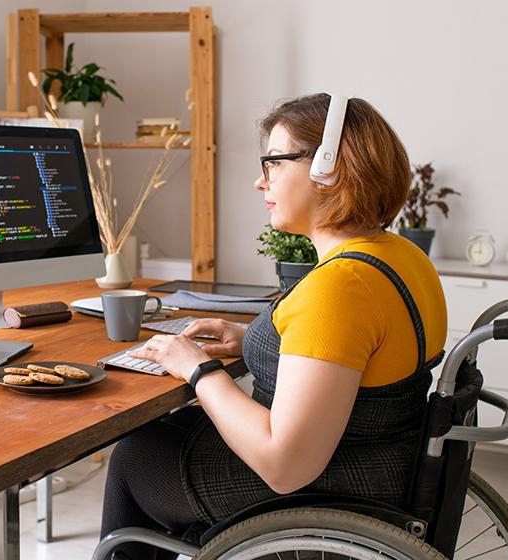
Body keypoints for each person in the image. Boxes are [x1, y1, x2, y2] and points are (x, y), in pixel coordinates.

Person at [99, 93, 447, 560]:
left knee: (136, 457)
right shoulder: (401, 256)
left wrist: (199, 370)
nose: (258, 181)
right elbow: (361, 356)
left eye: (274, 163)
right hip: (379, 461)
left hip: (329, 484)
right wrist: (251, 339)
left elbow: (286, 466)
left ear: (330, 167)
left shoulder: (342, 285)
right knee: (166, 433)